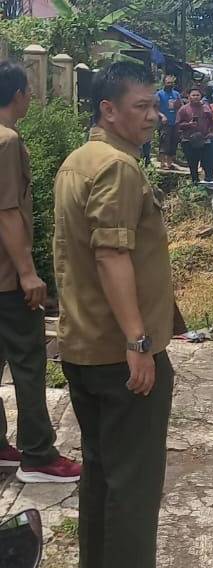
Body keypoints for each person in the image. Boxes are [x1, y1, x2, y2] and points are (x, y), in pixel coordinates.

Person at [53, 61, 176, 568]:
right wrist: (138, 340)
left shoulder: (77, 161)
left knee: (102, 478)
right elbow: (110, 255)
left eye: (155, 105)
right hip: (119, 354)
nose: (154, 117)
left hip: (83, 347)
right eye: (141, 107)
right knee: (133, 489)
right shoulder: (119, 168)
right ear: (108, 109)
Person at [0, 60, 82, 484]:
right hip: (7, 279)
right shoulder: (8, 140)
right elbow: (8, 212)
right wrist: (29, 274)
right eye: (29, 91)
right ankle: (38, 454)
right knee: (29, 362)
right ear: (18, 95)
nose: (31, 98)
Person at [176, 87, 213, 182]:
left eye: (197, 95)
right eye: (193, 95)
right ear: (189, 96)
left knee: (208, 164)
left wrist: (211, 132)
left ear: (201, 96)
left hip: (205, 140)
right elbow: (177, 125)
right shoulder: (184, 109)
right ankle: (195, 184)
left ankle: (210, 184)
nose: (196, 97)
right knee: (193, 165)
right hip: (189, 140)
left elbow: (212, 121)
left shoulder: (206, 107)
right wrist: (188, 124)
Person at [156, 75, 181, 169]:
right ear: (164, 83)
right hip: (164, 122)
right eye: (168, 83)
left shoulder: (176, 94)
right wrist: (162, 116)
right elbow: (154, 108)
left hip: (175, 122)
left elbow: (180, 107)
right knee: (164, 142)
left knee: (173, 143)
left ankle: (170, 163)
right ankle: (162, 163)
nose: (170, 84)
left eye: (171, 83)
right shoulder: (159, 94)